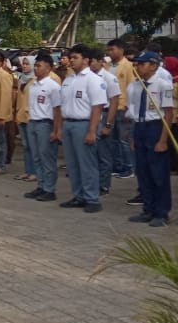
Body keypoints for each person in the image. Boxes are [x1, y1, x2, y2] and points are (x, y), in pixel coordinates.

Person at [56, 45, 107, 213]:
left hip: (84, 123)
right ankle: (79, 196)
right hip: (69, 123)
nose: (71, 60)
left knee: (87, 163)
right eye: (70, 57)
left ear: (86, 60)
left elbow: (97, 107)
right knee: (72, 164)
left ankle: (92, 198)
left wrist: (92, 131)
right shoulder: (69, 79)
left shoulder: (93, 79)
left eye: (75, 57)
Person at [126, 51, 174, 227]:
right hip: (140, 128)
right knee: (143, 171)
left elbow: (168, 114)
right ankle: (148, 208)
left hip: (155, 127)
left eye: (142, 64)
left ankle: (162, 212)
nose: (137, 67)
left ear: (153, 65)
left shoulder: (163, 85)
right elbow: (133, 113)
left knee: (158, 173)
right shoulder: (134, 86)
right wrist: (132, 137)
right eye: (136, 64)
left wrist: (163, 140)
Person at [23, 52, 62, 202]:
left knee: (47, 158)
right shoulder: (33, 85)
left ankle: (50, 189)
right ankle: (41, 185)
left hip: (46, 123)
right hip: (33, 122)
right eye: (36, 65)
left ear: (49, 68)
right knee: (37, 157)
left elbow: (58, 109)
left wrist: (56, 129)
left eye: (40, 66)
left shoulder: (53, 86)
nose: (36, 69)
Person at [89, 51, 121, 196]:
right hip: (90, 114)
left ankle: (104, 184)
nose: (91, 64)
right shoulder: (87, 77)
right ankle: (93, 182)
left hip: (104, 113)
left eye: (93, 61)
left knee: (104, 153)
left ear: (101, 61)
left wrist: (108, 124)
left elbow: (114, 102)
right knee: (91, 153)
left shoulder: (109, 78)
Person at [107, 38, 137, 179]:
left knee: (124, 139)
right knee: (112, 139)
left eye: (113, 49)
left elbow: (132, 88)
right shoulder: (108, 66)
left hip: (123, 106)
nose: (110, 52)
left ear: (121, 50)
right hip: (110, 106)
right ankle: (117, 165)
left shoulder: (128, 66)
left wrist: (129, 108)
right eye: (109, 50)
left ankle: (129, 167)